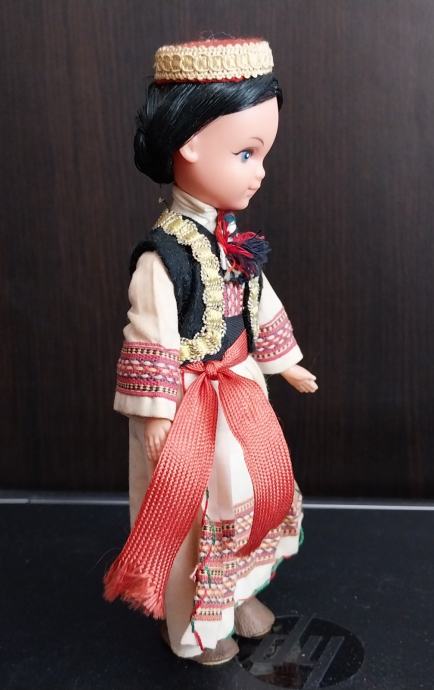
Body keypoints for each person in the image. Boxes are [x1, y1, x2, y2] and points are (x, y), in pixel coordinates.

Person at [103, 36, 318, 665]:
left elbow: (259, 299)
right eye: (246, 153)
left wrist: (284, 361)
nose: (260, 170)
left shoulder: (230, 238)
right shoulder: (163, 257)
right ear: (190, 144)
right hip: (188, 410)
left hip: (240, 392)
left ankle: (238, 594)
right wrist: (155, 420)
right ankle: (192, 625)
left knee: (250, 495)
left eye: (262, 154)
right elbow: (148, 339)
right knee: (193, 512)